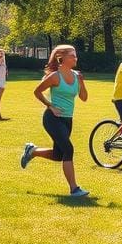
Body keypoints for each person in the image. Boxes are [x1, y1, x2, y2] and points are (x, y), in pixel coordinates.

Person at [20, 44, 90, 197]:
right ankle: (74, 189)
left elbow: (84, 98)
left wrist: (82, 82)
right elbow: (37, 91)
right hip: (52, 119)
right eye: (72, 55)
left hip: (67, 120)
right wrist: (50, 106)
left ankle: (33, 151)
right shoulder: (55, 76)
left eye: (75, 55)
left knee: (59, 155)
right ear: (62, 58)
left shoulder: (76, 75)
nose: (75, 58)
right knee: (69, 149)